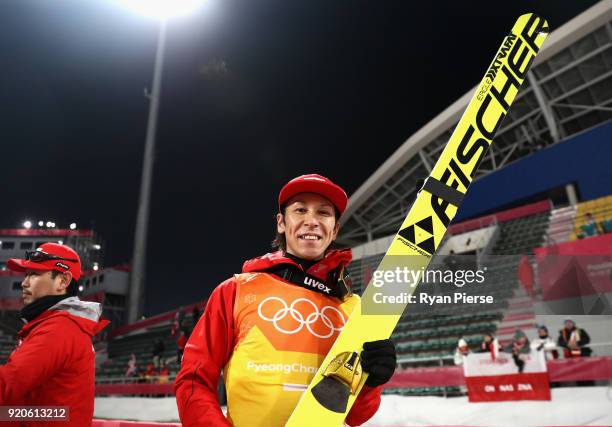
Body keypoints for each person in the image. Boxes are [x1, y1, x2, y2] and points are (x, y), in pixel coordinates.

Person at [175, 174, 396, 427]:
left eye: (323, 213)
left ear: (335, 230)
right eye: (300, 210)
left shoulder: (354, 307)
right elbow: (193, 380)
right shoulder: (235, 291)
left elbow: (356, 415)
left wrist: (371, 382)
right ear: (281, 222)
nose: (311, 221)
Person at [0, 243, 108, 425]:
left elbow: (6, 386)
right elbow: (48, 412)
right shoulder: (61, 324)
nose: (24, 283)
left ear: (63, 281)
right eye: (26, 275)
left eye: (34, 274)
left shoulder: (59, 328)